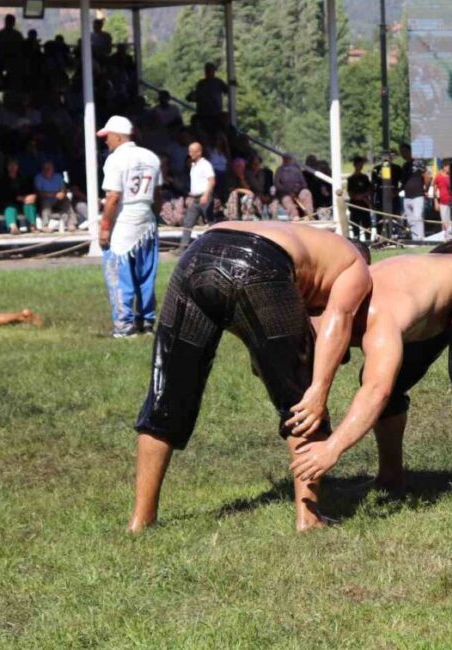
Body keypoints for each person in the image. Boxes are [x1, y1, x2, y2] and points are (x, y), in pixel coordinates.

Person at [128, 221, 371, 533]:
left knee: (167, 394)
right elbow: (339, 318)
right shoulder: (357, 267)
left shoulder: (305, 239)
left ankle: (141, 521)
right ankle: (309, 519)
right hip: (260, 261)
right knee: (302, 398)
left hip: (200, 252)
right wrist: (319, 388)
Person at [287, 240, 452, 517]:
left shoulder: (378, 319)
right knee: (380, 376)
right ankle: (391, 477)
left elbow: (377, 392)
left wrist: (332, 448)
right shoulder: (329, 307)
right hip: (426, 301)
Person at [97, 115, 162, 338]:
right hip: (146, 221)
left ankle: (124, 327)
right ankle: (146, 321)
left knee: (119, 276)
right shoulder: (151, 157)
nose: (106, 141)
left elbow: (113, 196)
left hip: (124, 223)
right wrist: (155, 217)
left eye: (107, 137)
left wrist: (105, 227)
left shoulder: (115, 160)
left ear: (117, 136)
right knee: (146, 275)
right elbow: (157, 193)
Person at [179, 141, 215, 251]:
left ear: (199, 152)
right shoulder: (193, 165)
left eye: (192, 151)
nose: (190, 154)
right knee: (188, 222)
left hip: (204, 198)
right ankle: (183, 247)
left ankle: (215, 245)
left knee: (210, 222)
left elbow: (212, 181)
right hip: (195, 199)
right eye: (189, 151)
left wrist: (205, 195)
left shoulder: (206, 165)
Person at [34, 160, 76, 233]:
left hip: (58, 200)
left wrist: (62, 193)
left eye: (49, 168)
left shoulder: (58, 177)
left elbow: (64, 189)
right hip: (46, 200)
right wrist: (54, 195)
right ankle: (45, 225)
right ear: (42, 169)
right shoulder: (39, 178)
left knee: (66, 201)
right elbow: (39, 193)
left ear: (53, 169)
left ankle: (71, 224)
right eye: (45, 168)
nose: (47, 170)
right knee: (46, 205)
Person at [187, 62, 227, 128]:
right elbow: (196, 96)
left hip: (216, 114)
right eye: (207, 70)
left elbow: (227, 90)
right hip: (202, 114)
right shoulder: (200, 83)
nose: (208, 72)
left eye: (210, 70)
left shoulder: (219, 82)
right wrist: (192, 97)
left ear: (214, 71)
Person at [400, 144, 428, 240]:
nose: (403, 154)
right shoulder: (404, 166)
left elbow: (427, 177)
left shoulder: (418, 162)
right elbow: (403, 183)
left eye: (405, 151)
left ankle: (420, 238)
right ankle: (414, 238)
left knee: (418, 217)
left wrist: (426, 189)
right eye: (402, 152)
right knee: (410, 220)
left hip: (418, 195)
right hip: (407, 196)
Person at [275, 153, 313, 220]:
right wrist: (288, 191)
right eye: (285, 159)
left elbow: (304, 183)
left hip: (298, 191)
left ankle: (308, 215)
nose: (287, 160)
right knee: (286, 199)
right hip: (285, 193)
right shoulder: (279, 170)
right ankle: (295, 217)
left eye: (289, 159)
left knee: (306, 193)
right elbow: (277, 184)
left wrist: (298, 189)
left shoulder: (296, 169)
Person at [347, 155, 374, 241]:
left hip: (364, 205)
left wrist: (363, 197)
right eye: (359, 164)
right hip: (355, 206)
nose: (361, 166)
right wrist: (359, 197)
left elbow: (370, 190)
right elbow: (351, 193)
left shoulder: (365, 178)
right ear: (355, 164)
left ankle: (368, 241)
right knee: (355, 226)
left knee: (367, 225)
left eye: (361, 164)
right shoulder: (351, 179)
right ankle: (356, 241)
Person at [434, 160, 452, 240]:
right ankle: (445, 236)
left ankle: (451, 235)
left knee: (451, 219)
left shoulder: (451, 176)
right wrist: (436, 202)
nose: (449, 168)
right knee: (444, 219)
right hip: (442, 202)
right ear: (444, 166)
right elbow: (435, 191)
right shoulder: (438, 177)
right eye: (448, 166)